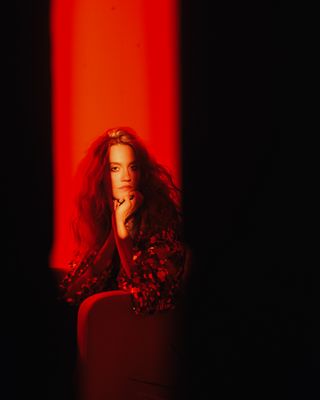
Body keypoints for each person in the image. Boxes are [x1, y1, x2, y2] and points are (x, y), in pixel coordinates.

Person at [58, 126, 187, 315]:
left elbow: (146, 296)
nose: (126, 177)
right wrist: (113, 235)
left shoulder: (161, 222)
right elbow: (70, 296)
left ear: (142, 174)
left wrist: (121, 229)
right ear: (101, 176)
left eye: (133, 167)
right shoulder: (100, 222)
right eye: (115, 168)